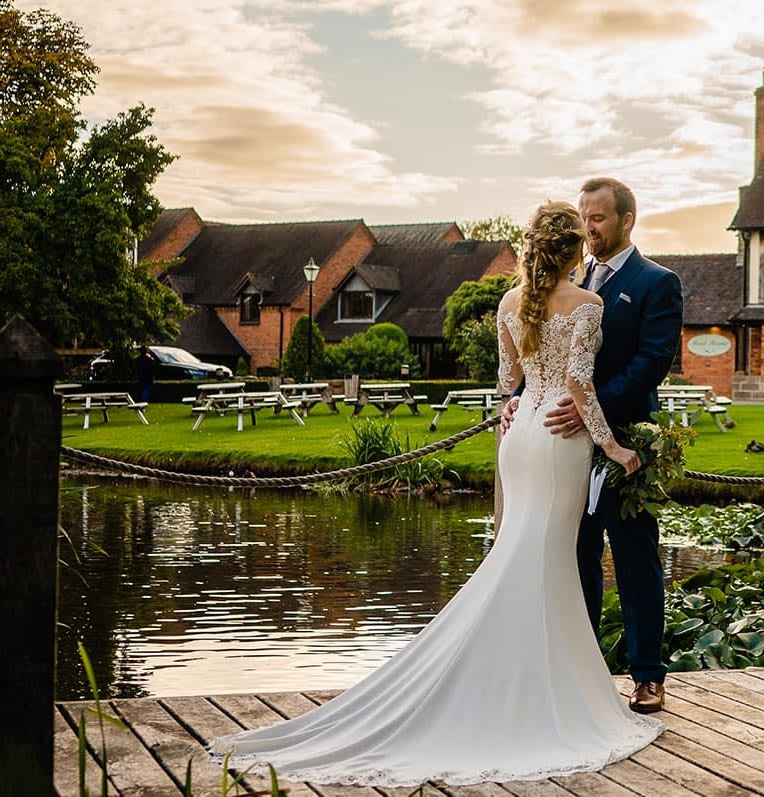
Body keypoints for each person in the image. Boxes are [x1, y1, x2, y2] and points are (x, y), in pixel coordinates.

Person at [208, 201, 661, 786]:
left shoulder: (508, 302)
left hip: (520, 438)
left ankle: (518, 680)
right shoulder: (587, 305)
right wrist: (618, 450)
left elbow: (506, 385)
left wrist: (516, 406)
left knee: (524, 558)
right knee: (546, 563)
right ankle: (536, 692)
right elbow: (577, 388)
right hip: (558, 442)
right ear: (573, 249)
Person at [504, 178, 684, 714]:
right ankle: (580, 676)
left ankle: (648, 676)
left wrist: (588, 408)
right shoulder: (564, 279)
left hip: (620, 440)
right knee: (571, 561)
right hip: (558, 446)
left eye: (598, 217)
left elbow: (652, 363)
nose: (588, 227)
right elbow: (538, 351)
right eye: (583, 217)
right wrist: (519, 398)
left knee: (635, 561)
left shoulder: (657, 283)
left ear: (627, 219)